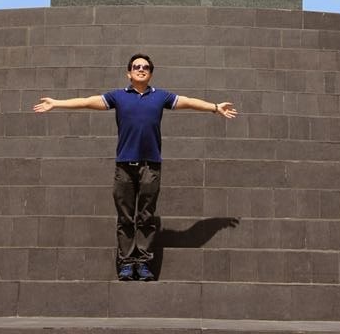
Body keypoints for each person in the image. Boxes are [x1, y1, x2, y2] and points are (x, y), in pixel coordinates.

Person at [33, 53, 237, 281]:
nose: (141, 69)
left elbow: (188, 102)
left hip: (150, 166)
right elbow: (88, 101)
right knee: (126, 217)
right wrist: (56, 103)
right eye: (136, 67)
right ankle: (127, 264)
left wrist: (215, 107)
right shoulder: (118, 97)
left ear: (150, 73)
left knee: (146, 217)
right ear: (128, 73)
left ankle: (144, 263)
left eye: (146, 67)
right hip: (124, 167)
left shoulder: (160, 96)